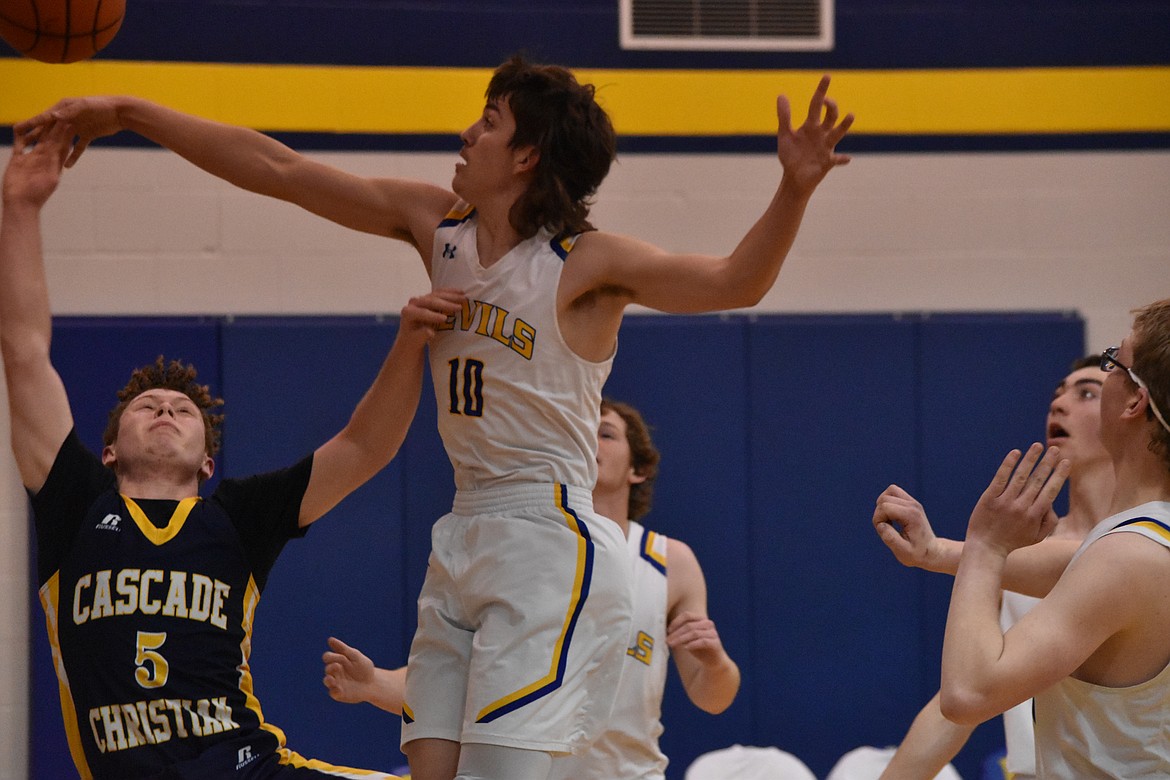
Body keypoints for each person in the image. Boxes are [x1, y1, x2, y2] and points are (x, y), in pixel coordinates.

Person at [18, 56, 852, 780]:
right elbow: (277, 168)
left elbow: (736, 282)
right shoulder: (438, 228)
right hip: (464, 531)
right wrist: (126, 112)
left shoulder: (585, 265)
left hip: (547, 539)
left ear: (526, 156)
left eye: (487, 124)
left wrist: (793, 187)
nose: (466, 134)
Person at [1, 121, 466, 779]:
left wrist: (410, 344)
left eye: (182, 410)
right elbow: (23, 351)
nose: (165, 409)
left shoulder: (240, 519)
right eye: (147, 406)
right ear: (107, 452)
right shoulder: (73, 504)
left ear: (207, 462)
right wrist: (19, 205)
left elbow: (363, 447)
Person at [322, 399, 741, 779]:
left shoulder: (669, 560)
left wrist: (716, 661)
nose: (588, 439)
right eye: (578, 428)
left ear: (639, 469)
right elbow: (456, 684)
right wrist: (373, 683)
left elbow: (712, 696)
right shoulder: (516, 552)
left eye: (606, 433)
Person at [933, 299, 1170, 776]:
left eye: (1111, 362)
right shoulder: (1141, 544)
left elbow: (967, 695)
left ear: (1134, 400)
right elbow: (1072, 563)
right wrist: (933, 551)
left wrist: (986, 546)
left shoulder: (1126, 558)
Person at [872, 356, 1114, 779]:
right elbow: (956, 705)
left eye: (1087, 393)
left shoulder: (1142, 540)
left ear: (1130, 412)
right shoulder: (1016, 549)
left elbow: (1089, 563)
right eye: (1058, 394)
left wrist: (943, 552)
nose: (1058, 405)